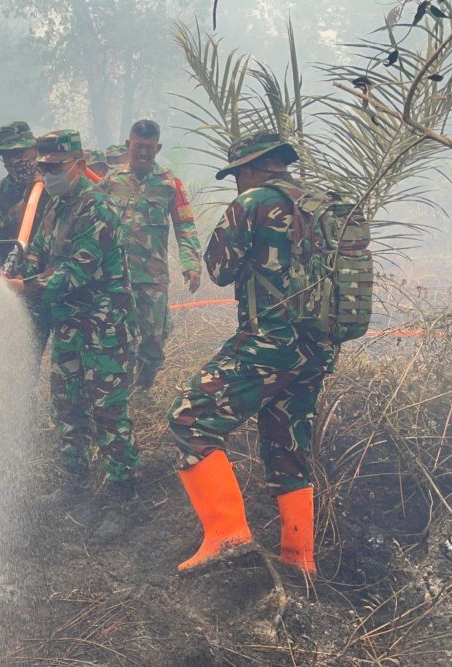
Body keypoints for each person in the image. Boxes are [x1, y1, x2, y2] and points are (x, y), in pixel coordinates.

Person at [167, 131, 336, 575]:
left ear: (250, 168)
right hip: (316, 348)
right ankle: (299, 560)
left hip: (268, 345)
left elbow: (219, 270)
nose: (237, 184)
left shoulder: (253, 202)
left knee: (190, 418)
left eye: (237, 175)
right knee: (287, 444)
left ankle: (228, 539)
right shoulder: (324, 205)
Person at [7, 130, 139, 497]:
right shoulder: (57, 205)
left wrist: (24, 286)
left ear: (78, 165)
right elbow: (41, 250)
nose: (48, 175)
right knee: (67, 407)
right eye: (44, 168)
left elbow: (77, 271)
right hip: (68, 324)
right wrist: (21, 268)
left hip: (104, 327)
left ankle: (122, 493)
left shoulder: (98, 207)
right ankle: (75, 484)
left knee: (108, 410)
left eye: (55, 167)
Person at [97, 119, 202, 390]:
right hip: (116, 275)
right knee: (117, 335)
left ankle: (144, 385)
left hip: (152, 277)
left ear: (158, 148)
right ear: (128, 145)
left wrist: (191, 263)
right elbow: (93, 223)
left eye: (150, 148)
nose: (143, 153)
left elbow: (185, 225)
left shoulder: (170, 184)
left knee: (153, 339)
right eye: (138, 147)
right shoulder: (111, 182)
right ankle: (120, 390)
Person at [0, 121, 51, 355]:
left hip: (57, 280)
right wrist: (26, 201)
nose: (15, 161)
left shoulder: (56, 181)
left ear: (35, 150)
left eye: (20, 153)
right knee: (24, 354)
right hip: (20, 286)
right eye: (7, 155)